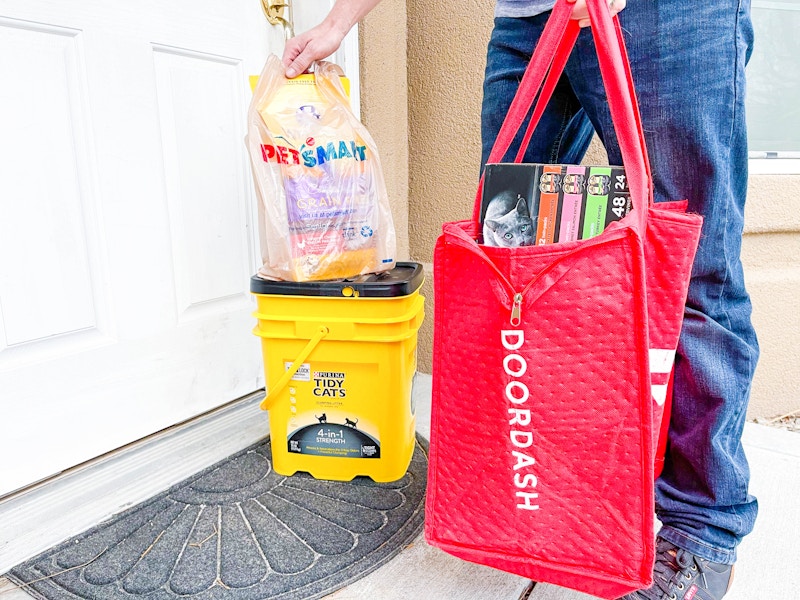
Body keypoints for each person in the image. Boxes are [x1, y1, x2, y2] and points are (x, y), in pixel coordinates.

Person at [283, 1, 760, 599]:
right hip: (530, 17)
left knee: (688, 268)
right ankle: (544, 493)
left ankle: (699, 535)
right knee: (509, 267)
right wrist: (337, 22)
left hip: (667, 14)